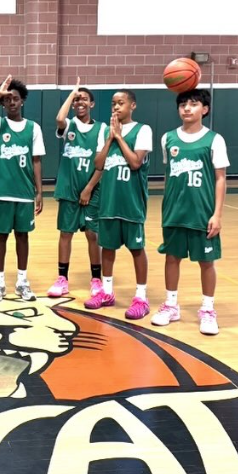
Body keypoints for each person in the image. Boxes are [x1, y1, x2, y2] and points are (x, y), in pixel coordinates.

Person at [151, 89, 228, 335]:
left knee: (206, 262)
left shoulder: (214, 140)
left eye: (193, 104)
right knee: (171, 258)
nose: (187, 108)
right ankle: (171, 305)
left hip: (202, 213)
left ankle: (207, 309)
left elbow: (220, 179)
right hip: (174, 211)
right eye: (183, 104)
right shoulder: (168, 139)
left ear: (204, 109)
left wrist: (217, 214)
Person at [0, 75, 44, 302]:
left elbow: (36, 161)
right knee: (1, 237)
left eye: (15, 98)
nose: (12, 102)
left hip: (24, 193)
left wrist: (39, 192)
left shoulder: (33, 128)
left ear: (22, 101)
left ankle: (22, 281)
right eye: (7, 100)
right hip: (1, 191)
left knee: (22, 237)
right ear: (3, 104)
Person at [88, 89, 153, 320]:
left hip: (131, 203)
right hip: (109, 201)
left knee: (136, 249)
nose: (116, 107)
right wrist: (109, 138)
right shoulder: (105, 132)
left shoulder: (143, 130)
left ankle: (141, 297)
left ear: (132, 105)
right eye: (113, 103)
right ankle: (106, 292)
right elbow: (98, 163)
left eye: (121, 103)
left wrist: (119, 137)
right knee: (107, 249)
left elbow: (135, 162)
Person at [47, 78, 105, 299]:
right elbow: (59, 118)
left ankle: (96, 280)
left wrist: (89, 188)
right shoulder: (69, 125)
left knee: (92, 234)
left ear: (92, 104)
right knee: (66, 234)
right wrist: (72, 93)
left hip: (91, 188)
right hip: (69, 189)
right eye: (77, 99)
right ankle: (62, 279)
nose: (80, 102)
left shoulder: (101, 129)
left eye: (84, 99)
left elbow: (102, 163)